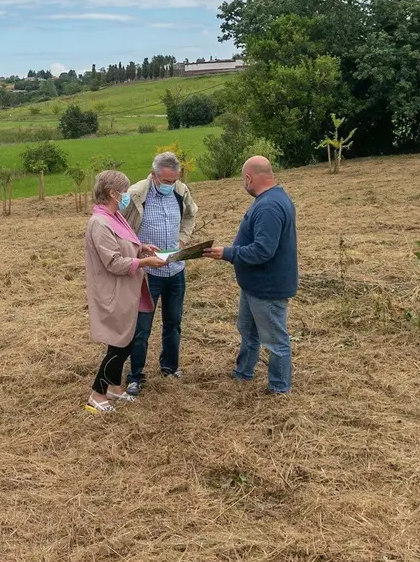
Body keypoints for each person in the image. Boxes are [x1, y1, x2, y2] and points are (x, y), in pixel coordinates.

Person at [204, 156, 298, 394]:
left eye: (243, 180)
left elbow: (263, 250)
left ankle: (279, 388)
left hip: (267, 287)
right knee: (248, 330)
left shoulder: (268, 206)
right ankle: (243, 371)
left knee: (275, 339)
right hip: (254, 285)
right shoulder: (272, 199)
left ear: (249, 178)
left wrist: (228, 253)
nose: (243, 185)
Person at [84, 170, 164, 413]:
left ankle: (114, 387)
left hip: (127, 289)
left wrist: (141, 249)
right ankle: (97, 394)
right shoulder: (99, 223)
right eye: (125, 191)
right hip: (114, 290)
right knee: (120, 344)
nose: (128, 195)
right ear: (112, 193)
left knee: (125, 340)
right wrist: (145, 263)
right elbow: (114, 262)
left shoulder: (115, 216)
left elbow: (126, 244)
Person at [121, 152, 198, 394]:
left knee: (173, 322)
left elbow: (190, 216)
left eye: (173, 180)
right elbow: (120, 229)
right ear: (154, 175)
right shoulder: (135, 195)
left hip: (176, 270)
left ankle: (169, 367)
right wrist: (137, 253)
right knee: (142, 327)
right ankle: (135, 375)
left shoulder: (180, 191)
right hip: (147, 274)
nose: (170, 185)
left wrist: (184, 239)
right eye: (165, 181)